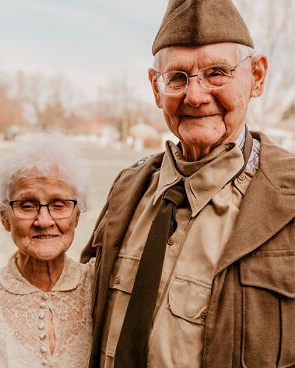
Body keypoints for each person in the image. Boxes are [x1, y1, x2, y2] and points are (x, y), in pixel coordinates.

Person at [81, 0, 295, 367]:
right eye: (177, 78)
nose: (195, 96)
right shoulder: (126, 190)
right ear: (155, 88)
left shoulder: (287, 200)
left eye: (217, 73)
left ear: (256, 76)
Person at [0, 132, 95, 368]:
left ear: (77, 216)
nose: (44, 220)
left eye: (59, 204)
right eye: (27, 205)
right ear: (4, 218)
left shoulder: (102, 290)